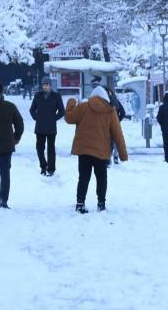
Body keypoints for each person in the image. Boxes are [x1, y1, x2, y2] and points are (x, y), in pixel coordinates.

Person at [64, 85, 128, 213]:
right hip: (101, 151)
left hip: (84, 150)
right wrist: (123, 154)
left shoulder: (83, 107)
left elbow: (69, 118)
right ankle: (101, 203)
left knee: (83, 177)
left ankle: (80, 203)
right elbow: (117, 133)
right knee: (101, 178)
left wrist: (71, 103)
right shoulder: (110, 110)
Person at [29, 77, 65, 176]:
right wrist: (36, 117)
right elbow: (32, 109)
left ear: (50, 85)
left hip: (51, 127)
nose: (45, 86)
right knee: (40, 148)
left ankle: (51, 168)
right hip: (40, 126)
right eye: (44, 84)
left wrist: (54, 118)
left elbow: (62, 111)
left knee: (51, 148)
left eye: (47, 84)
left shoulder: (56, 96)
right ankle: (43, 166)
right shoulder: (37, 95)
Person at [106, 86, 128, 163]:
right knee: (116, 140)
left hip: (106, 124)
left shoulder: (104, 101)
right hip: (116, 124)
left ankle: (108, 159)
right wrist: (118, 120)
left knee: (108, 142)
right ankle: (115, 157)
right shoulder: (116, 100)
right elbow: (123, 112)